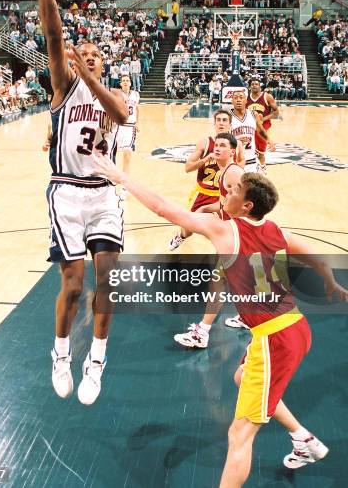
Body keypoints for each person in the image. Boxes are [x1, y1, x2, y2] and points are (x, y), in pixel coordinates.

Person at [94, 155, 348, 488]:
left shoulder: (225, 230)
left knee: (239, 435)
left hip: (276, 340)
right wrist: (329, 278)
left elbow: (162, 207)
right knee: (242, 375)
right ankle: (303, 439)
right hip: (290, 329)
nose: (225, 192)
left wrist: (121, 177)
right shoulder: (275, 230)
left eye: (234, 190)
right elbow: (311, 252)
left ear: (246, 205)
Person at [14, 0, 128, 405]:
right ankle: (61, 351)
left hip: (104, 194)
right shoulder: (63, 87)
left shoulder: (116, 94)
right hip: (66, 191)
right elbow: (53, 31)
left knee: (108, 283)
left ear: (104, 64)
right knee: (75, 284)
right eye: (86, 56)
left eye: (97, 57)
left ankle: (96, 359)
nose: (90, 59)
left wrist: (93, 76)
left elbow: (118, 115)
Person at [174, 132, 246, 348]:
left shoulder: (233, 174)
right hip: (237, 233)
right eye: (217, 145)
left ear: (232, 152)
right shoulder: (226, 172)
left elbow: (245, 206)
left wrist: (230, 230)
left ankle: (202, 333)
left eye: (223, 145)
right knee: (241, 279)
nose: (217, 148)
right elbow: (227, 204)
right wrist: (207, 208)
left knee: (219, 280)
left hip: (239, 234)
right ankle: (248, 317)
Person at [169, 109, 244, 252]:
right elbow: (188, 167)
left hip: (223, 195)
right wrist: (205, 159)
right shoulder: (205, 143)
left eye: (224, 120)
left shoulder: (236, 145)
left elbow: (241, 160)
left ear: (230, 124)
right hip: (203, 192)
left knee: (228, 233)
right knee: (189, 227)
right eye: (218, 120)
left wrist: (233, 173)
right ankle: (182, 236)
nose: (221, 123)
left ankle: (225, 263)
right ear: (214, 123)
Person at [230, 89, 273, 173]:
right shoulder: (227, 117)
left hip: (251, 160)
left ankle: (262, 168)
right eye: (235, 98)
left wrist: (269, 140)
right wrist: (236, 142)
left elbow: (260, 130)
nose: (238, 100)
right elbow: (221, 139)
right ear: (232, 101)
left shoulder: (253, 114)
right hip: (234, 160)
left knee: (254, 185)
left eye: (241, 97)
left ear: (246, 100)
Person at [246, 79, 278, 174]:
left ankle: (263, 166)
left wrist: (262, 119)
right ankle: (251, 167)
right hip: (250, 125)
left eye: (256, 84)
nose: (254, 85)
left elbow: (276, 113)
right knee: (249, 149)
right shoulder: (246, 98)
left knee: (260, 151)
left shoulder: (267, 96)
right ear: (250, 86)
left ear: (260, 86)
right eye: (252, 84)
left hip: (264, 125)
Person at [117, 75, 140, 201]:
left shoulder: (136, 95)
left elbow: (137, 108)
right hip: (117, 126)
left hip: (130, 128)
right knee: (111, 157)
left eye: (127, 81)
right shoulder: (116, 94)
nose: (125, 82)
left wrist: (137, 122)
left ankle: (124, 189)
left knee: (126, 157)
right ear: (120, 83)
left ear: (130, 83)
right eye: (123, 81)